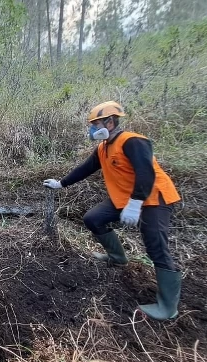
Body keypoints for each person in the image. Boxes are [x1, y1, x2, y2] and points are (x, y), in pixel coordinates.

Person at [42, 101, 182, 321]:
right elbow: (86, 168)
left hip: (154, 198)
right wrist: (61, 183)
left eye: (96, 124)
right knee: (93, 219)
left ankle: (167, 307)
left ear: (110, 121)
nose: (92, 129)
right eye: (92, 125)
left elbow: (146, 174)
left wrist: (136, 204)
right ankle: (117, 257)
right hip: (124, 199)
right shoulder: (103, 147)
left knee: (155, 245)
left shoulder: (132, 142)